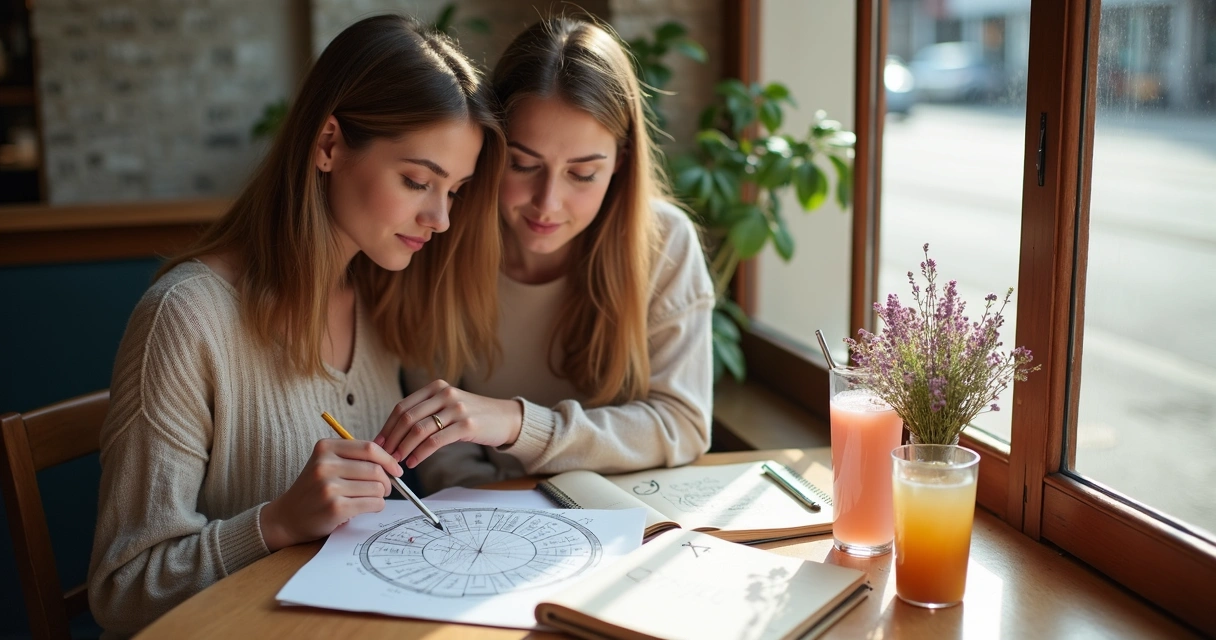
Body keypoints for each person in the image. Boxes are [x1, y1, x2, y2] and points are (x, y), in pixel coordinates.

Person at [86, 15, 504, 635]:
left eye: (456, 191)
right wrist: (276, 522)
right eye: (417, 181)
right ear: (329, 144)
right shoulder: (187, 319)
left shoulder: (382, 293)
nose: (440, 218)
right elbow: (122, 593)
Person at [374, 16, 715, 492]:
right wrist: (488, 513)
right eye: (523, 164)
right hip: (481, 515)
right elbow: (439, 443)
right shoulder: (440, 232)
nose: (547, 203)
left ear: (620, 163)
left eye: (582, 174)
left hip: (622, 515)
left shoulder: (664, 243)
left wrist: (518, 424)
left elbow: (682, 424)